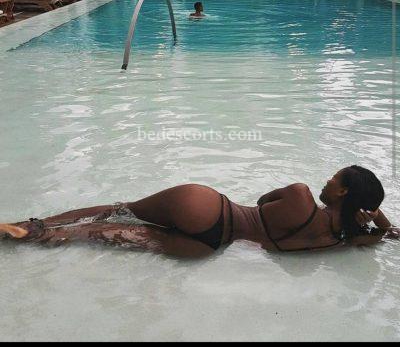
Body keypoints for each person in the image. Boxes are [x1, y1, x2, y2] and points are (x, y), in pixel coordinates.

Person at [1, 165, 398, 258]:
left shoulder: (301, 195)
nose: (327, 179)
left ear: (342, 191)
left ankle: (31, 225)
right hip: (207, 248)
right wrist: (374, 217)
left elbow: (262, 202)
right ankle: (37, 238)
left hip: (208, 208)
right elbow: (389, 233)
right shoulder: (339, 240)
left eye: (334, 178)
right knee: (92, 236)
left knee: (118, 209)